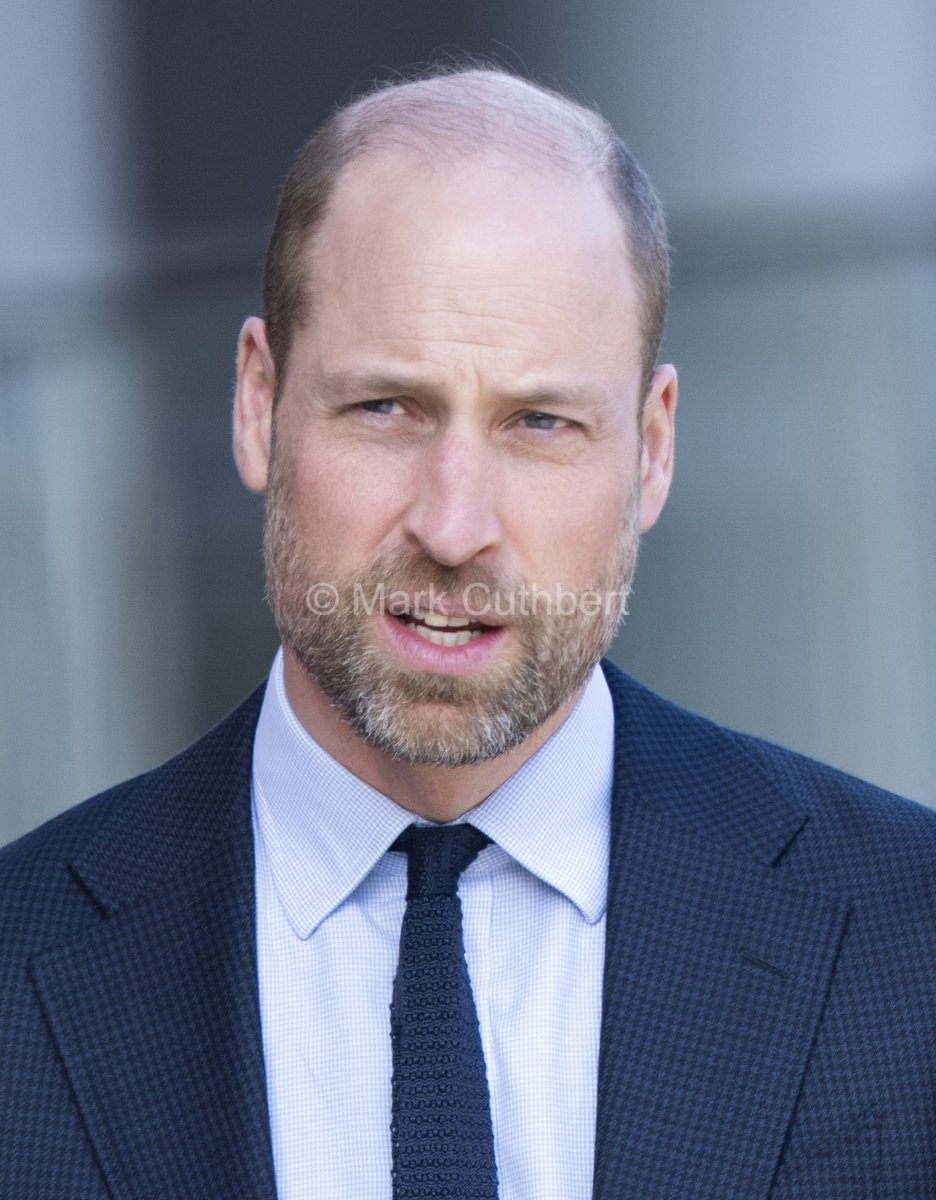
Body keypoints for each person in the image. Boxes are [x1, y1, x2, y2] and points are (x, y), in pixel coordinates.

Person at [2, 65, 935, 1200]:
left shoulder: (910, 942)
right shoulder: (17, 970)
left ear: (652, 450)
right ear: (257, 404)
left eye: (540, 423)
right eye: (385, 409)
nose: (454, 527)